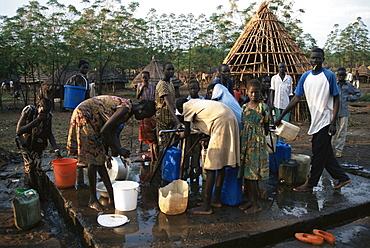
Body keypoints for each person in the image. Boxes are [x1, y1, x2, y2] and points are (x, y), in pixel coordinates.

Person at [275, 48, 351, 192]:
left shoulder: (329, 76)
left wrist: (333, 122)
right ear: (310, 59)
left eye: (318, 58)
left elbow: (336, 99)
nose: (315, 61)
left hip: (326, 120)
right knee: (325, 153)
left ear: (323, 59)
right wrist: (280, 116)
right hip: (315, 121)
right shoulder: (305, 77)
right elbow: (296, 98)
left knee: (317, 152)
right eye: (313, 58)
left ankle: (311, 183)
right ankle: (342, 177)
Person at [67, 95, 156, 211]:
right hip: (85, 116)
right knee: (93, 161)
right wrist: (118, 150)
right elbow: (105, 131)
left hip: (93, 121)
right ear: (141, 109)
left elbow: (112, 131)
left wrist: (118, 148)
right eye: (145, 116)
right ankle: (93, 200)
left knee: (100, 159)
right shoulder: (125, 109)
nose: (143, 119)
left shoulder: (127, 111)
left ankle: (112, 196)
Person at [176, 98, 240, 214]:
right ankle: (215, 199)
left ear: (181, 109)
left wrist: (179, 133)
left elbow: (186, 133)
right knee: (221, 164)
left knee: (210, 167)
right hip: (229, 117)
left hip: (221, 122)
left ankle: (206, 206)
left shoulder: (185, 107)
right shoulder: (195, 102)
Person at [16, 98, 62, 200]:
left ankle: (41, 195)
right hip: (25, 144)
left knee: (38, 169)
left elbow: (49, 133)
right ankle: (34, 191)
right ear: (38, 106)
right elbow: (19, 131)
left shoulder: (48, 116)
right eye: (43, 111)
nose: (44, 114)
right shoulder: (29, 111)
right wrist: (36, 120)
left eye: (46, 112)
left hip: (38, 145)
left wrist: (56, 149)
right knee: (30, 167)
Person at [238, 79, 270, 214]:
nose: (254, 95)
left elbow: (267, 127)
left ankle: (257, 204)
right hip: (245, 143)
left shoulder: (263, 108)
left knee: (253, 175)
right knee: (247, 174)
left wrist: (257, 136)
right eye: (252, 92)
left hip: (256, 145)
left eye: (257, 93)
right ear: (247, 92)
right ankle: (251, 200)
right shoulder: (244, 108)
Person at [332, 68, 361, 158]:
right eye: (339, 75)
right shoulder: (333, 85)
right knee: (331, 132)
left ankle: (338, 151)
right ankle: (328, 150)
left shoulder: (348, 85)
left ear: (345, 76)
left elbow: (358, 93)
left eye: (342, 75)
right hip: (333, 111)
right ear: (337, 75)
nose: (340, 77)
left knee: (342, 132)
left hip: (344, 112)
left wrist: (349, 98)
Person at [155, 62, 182, 153]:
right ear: (163, 71)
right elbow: (168, 103)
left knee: (172, 144)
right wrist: (177, 121)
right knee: (163, 146)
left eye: (172, 69)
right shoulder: (162, 85)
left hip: (170, 118)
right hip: (163, 119)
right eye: (168, 69)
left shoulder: (170, 82)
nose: (171, 71)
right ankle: (162, 165)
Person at [136, 71, 157, 161]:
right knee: (143, 128)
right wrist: (141, 89)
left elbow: (156, 96)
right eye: (143, 78)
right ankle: (141, 146)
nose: (145, 79)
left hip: (151, 107)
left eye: (146, 77)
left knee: (152, 127)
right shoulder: (139, 85)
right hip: (144, 107)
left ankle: (152, 145)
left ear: (149, 77)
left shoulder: (153, 86)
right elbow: (137, 97)